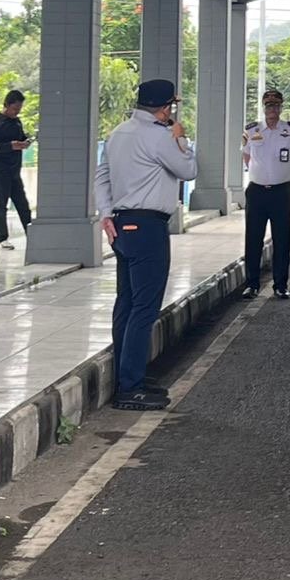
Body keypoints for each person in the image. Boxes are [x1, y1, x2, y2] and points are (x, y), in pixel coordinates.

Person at [94, 79, 197, 411]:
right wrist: (181, 138)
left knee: (126, 302)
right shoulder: (159, 137)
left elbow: (101, 176)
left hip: (123, 225)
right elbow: (189, 170)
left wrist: (106, 214)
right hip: (149, 226)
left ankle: (128, 377)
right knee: (144, 307)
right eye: (172, 107)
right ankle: (131, 386)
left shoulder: (119, 133)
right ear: (165, 108)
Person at [240, 88, 290, 299]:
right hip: (257, 192)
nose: (272, 110)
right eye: (268, 106)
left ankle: (281, 285)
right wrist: (262, 175)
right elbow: (247, 158)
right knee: (253, 238)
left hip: (280, 192)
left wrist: (279, 175)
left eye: (276, 106)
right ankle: (252, 284)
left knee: (282, 239)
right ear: (264, 107)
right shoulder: (252, 130)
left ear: (281, 108)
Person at [0, 89, 31, 250]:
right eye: (15, 109)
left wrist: (26, 141)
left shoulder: (17, 122)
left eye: (19, 109)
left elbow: (22, 137)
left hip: (14, 170)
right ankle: (1, 237)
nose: (17, 112)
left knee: (22, 203)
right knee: (1, 202)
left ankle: (31, 232)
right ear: (7, 105)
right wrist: (10, 146)